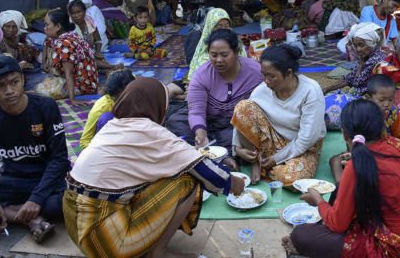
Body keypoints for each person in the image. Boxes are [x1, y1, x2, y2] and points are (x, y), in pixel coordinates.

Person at [63, 78, 245, 258]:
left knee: (163, 174)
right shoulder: (150, 131)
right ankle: (158, 253)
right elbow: (203, 167)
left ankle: (140, 243)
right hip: (105, 241)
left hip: (76, 227)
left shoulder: (113, 125)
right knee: (187, 180)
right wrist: (232, 182)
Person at [283, 100, 400, 258]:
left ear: (344, 134)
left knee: (300, 234)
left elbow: (338, 224)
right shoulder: (398, 145)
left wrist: (318, 201)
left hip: (392, 248)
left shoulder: (355, 166)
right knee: (337, 198)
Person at [0, 55, 69, 242]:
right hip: (11, 182)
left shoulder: (46, 107)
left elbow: (59, 159)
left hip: (47, 184)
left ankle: (2, 215)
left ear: (23, 80)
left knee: (72, 202)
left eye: (14, 82)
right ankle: (28, 219)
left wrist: (37, 199)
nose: (9, 91)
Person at [166, 29, 262, 169]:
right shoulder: (202, 74)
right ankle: (221, 155)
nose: (218, 60)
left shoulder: (255, 72)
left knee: (242, 138)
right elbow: (196, 112)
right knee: (175, 123)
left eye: (224, 55)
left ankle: (214, 155)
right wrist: (200, 133)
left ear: (235, 52)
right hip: (206, 118)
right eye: (213, 55)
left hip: (234, 125)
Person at [231, 45, 326, 185]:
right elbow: (241, 117)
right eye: (264, 75)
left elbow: (306, 140)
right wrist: (237, 149)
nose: (266, 80)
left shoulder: (310, 91)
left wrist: (276, 159)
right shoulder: (263, 89)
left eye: (271, 76)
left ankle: (268, 164)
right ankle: (256, 163)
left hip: (303, 148)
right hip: (272, 140)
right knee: (243, 106)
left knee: (291, 178)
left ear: (289, 73)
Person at [41, 9, 99, 105]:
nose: (44, 28)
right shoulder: (71, 35)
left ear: (58, 27)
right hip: (89, 81)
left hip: (83, 85)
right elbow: (47, 42)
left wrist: (72, 99)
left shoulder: (64, 44)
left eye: (47, 25)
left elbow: (69, 73)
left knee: (42, 91)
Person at [79, 69, 135, 149]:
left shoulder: (132, 100)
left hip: (126, 140)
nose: (132, 93)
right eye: (128, 90)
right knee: (106, 118)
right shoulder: (102, 107)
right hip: (106, 147)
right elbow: (85, 141)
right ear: (118, 91)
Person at [186, 8, 246, 82]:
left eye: (226, 26)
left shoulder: (235, 43)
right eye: (219, 26)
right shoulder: (202, 45)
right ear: (210, 27)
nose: (223, 30)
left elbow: (243, 66)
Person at [68, 0, 118, 72]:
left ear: (84, 11)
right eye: (73, 13)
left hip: (90, 54)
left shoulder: (89, 22)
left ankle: (107, 69)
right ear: (70, 14)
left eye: (79, 12)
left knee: (99, 61)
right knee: (91, 62)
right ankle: (111, 67)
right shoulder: (69, 27)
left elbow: (98, 40)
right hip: (76, 57)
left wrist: (97, 52)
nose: (76, 16)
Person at [342, 23, 387, 96]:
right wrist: (326, 89)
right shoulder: (366, 56)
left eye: (361, 45)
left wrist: (361, 64)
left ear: (371, 43)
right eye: (355, 46)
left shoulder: (375, 60)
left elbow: (356, 83)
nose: (358, 49)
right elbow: (349, 78)